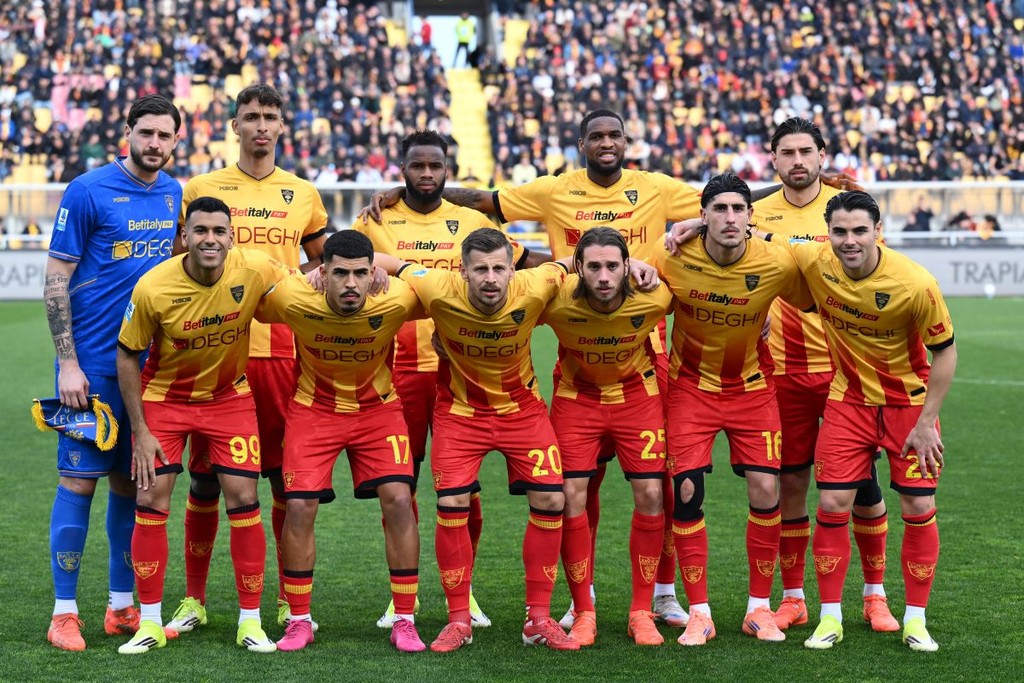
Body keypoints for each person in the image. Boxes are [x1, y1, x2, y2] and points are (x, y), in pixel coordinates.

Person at [362, 108, 703, 629]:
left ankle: (659, 594)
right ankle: (427, 599)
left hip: (639, 356)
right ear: (581, 143)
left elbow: (723, 210)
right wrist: (398, 194)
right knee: (428, 489)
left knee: (655, 485)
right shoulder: (550, 191)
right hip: (430, 366)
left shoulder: (654, 191)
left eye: (614, 135)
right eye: (417, 167)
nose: (606, 143)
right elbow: (364, 258)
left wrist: (609, 263)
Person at [353, 129, 543, 629]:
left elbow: (525, 265)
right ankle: (404, 595)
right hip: (397, 367)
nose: (426, 174)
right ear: (402, 169)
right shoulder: (375, 220)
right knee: (401, 487)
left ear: (446, 170)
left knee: (465, 489)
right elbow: (347, 268)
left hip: (465, 369)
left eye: (435, 166)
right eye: (417, 166)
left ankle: (466, 589)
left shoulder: (473, 222)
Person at [375, 228, 585, 653]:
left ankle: (538, 618)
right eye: (481, 270)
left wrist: (635, 265)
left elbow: (573, 261)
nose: (490, 278)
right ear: (463, 272)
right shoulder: (437, 285)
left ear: (512, 271)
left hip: (522, 412)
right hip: (460, 414)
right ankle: (459, 620)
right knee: (452, 502)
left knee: (551, 499)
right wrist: (326, 271)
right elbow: (386, 260)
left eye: (498, 269)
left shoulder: (536, 284)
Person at [169, 84, 328, 636]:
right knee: (205, 482)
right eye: (251, 116)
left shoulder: (303, 193)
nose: (261, 125)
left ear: (282, 126)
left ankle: (287, 599)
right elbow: (179, 263)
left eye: (270, 117)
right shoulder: (202, 189)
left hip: (282, 353)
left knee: (284, 482)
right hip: (214, 354)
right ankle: (193, 599)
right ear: (234, 126)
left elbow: (322, 267)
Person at [114, 196, 292, 655]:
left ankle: (250, 622)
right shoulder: (153, 287)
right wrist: (141, 431)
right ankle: (150, 622)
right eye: (200, 231)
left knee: (244, 498)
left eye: (218, 231)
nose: (209, 239)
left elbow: (305, 285)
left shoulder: (255, 269)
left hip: (228, 397)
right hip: (165, 400)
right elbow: (127, 355)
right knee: (151, 498)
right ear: (185, 236)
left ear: (231, 236)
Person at [781, 191, 956, 652]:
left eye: (860, 230)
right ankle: (830, 618)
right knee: (832, 502)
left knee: (917, 505)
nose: (850, 240)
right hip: (849, 401)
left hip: (908, 407)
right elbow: (758, 239)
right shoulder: (816, 261)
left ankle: (916, 621)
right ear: (827, 234)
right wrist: (693, 225)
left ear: (878, 230)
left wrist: (927, 423)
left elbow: (945, 352)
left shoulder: (915, 283)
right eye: (839, 231)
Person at [42, 94, 182, 652]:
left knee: (133, 484)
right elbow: (56, 279)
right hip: (91, 370)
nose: (154, 143)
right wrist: (67, 363)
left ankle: (121, 607)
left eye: (164, 135)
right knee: (78, 482)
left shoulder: (174, 193)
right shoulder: (87, 190)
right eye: (145, 132)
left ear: (176, 140)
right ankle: (63, 614)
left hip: (148, 374)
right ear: (127, 132)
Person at [751, 118, 898, 633]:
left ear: (821, 155)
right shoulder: (752, 212)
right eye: (787, 152)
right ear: (773, 158)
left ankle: (875, 596)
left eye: (805, 151)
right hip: (781, 373)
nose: (797, 160)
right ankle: (793, 598)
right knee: (790, 483)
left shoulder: (848, 210)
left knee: (863, 485)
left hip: (846, 372)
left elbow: (876, 276)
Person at [655, 172, 814, 647]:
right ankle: (699, 613)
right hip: (690, 389)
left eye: (738, 209)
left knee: (767, 489)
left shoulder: (775, 260)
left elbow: (814, 294)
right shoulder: (671, 254)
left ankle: (758, 609)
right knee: (686, 492)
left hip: (752, 389)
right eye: (719, 208)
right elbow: (629, 278)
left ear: (750, 217)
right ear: (702, 215)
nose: (729, 217)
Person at [258, 231, 427, 653]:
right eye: (340, 274)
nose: (351, 284)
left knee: (399, 499)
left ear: (372, 273)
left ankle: (405, 620)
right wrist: (298, 276)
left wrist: (394, 267)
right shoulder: (293, 296)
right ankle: (299, 621)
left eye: (360, 274)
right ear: (323, 272)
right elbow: (252, 293)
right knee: (299, 505)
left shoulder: (396, 298)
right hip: (313, 410)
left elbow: (446, 295)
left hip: (378, 410)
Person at [540, 227, 673, 646]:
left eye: (613, 266)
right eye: (593, 266)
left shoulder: (655, 296)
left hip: (637, 396)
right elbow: (506, 308)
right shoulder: (555, 298)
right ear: (578, 268)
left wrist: (762, 321)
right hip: (576, 399)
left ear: (626, 267)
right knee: (570, 496)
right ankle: (584, 611)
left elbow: (710, 301)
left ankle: (642, 611)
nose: (603, 276)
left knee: (651, 494)